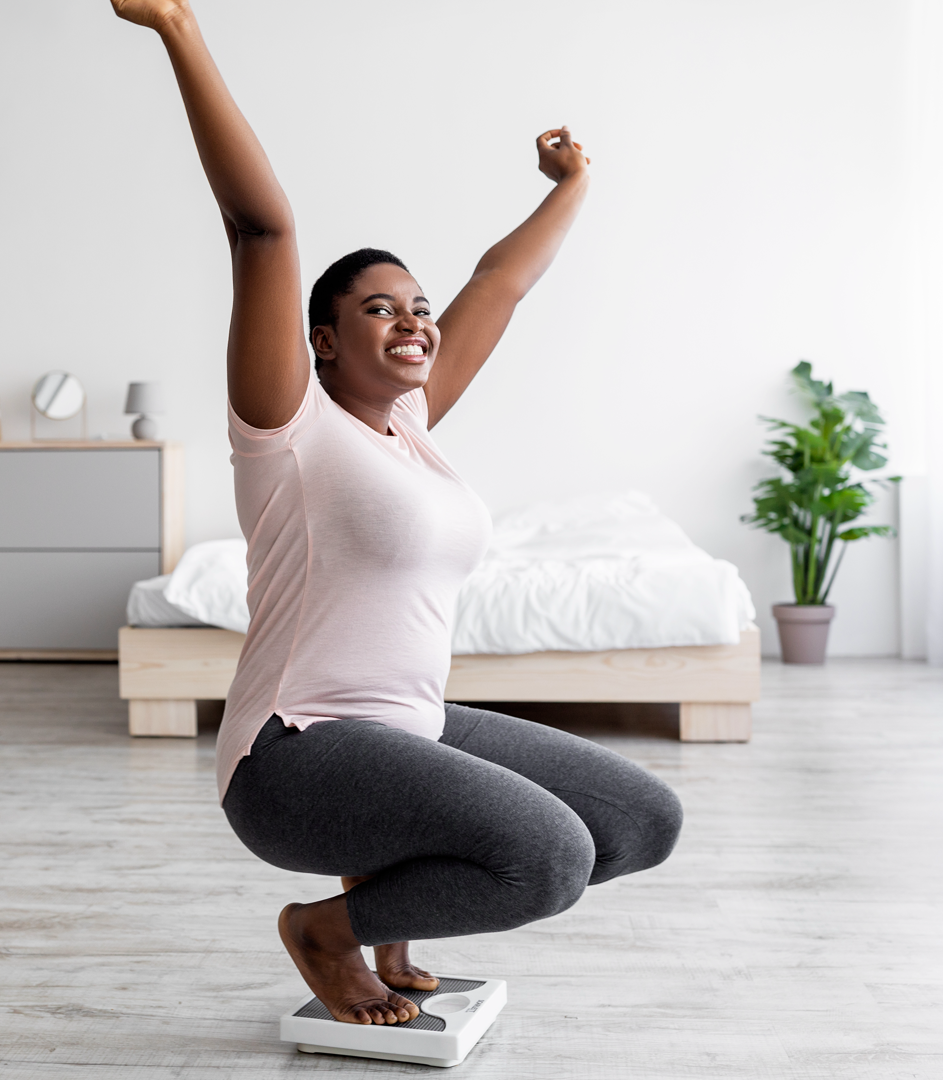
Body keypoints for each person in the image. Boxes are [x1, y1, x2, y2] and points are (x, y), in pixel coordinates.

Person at [111, 0, 683, 1028]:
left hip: (404, 733)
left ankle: (383, 908)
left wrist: (577, 184)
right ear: (323, 341)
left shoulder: (412, 428)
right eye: (380, 308)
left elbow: (498, 286)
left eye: (416, 307)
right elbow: (261, 227)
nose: (413, 320)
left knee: (642, 819)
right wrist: (179, 29)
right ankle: (326, 930)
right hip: (294, 757)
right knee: (548, 855)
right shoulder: (288, 426)